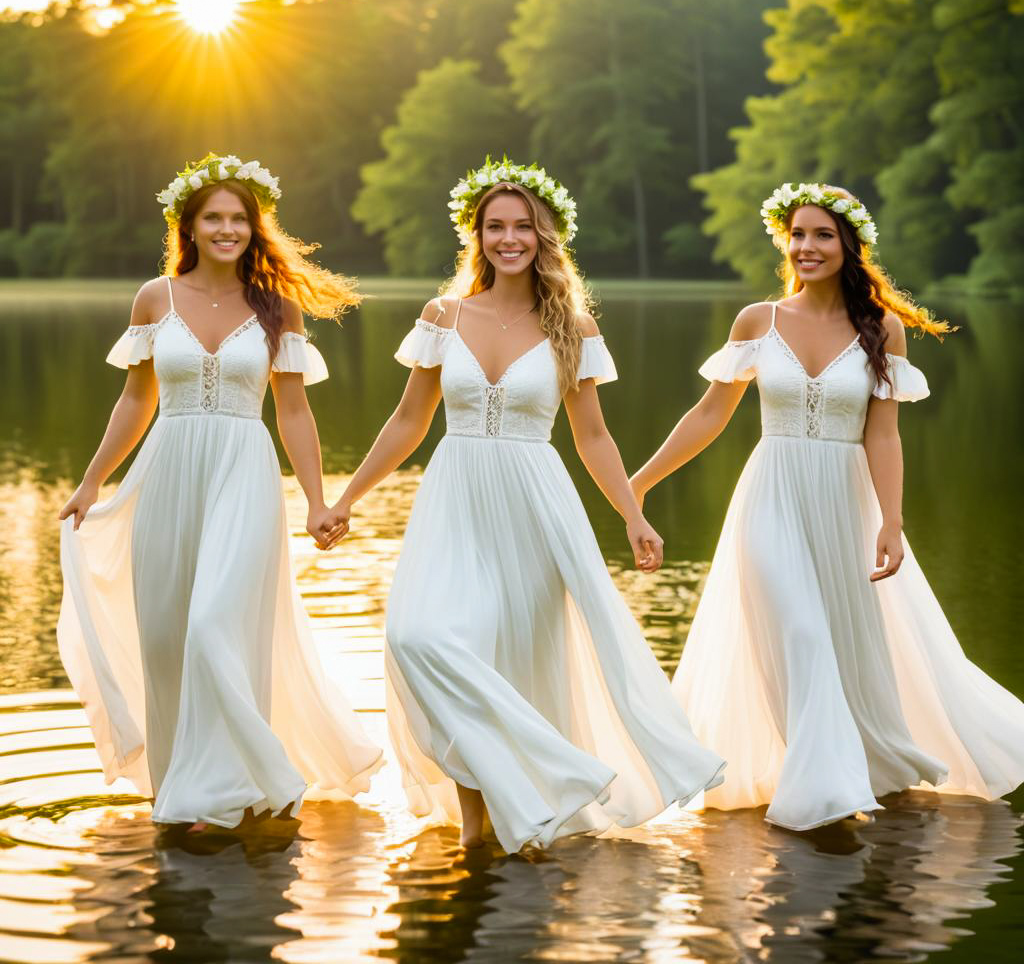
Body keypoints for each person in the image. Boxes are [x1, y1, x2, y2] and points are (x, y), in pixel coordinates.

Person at [321, 158, 725, 852]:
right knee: (417, 637)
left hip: (536, 507)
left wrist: (632, 513)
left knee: (507, 662)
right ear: (474, 236)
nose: (509, 239)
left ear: (544, 237)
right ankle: (548, 782)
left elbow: (592, 435)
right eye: (494, 227)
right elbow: (408, 421)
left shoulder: (573, 326)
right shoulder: (443, 316)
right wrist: (348, 497)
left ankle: (491, 828)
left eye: (522, 227)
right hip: (454, 499)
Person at [630, 182, 1024, 830]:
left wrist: (892, 521)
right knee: (803, 634)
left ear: (849, 247)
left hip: (847, 503)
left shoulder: (882, 331)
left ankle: (860, 769)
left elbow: (884, 433)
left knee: (848, 641)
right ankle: (822, 795)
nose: (807, 246)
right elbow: (709, 414)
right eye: (798, 234)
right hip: (771, 497)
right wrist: (640, 484)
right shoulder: (759, 321)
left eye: (822, 235)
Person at [57, 154, 382, 831]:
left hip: (243, 471)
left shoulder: (275, 307)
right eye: (215, 217)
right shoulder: (155, 298)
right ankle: (177, 795)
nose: (228, 228)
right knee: (167, 638)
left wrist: (319, 501)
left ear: (255, 227)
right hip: (167, 471)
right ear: (190, 225)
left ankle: (242, 779)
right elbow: (135, 400)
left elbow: (293, 411)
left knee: (217, 628)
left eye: (240, 218)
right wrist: (92, 480)